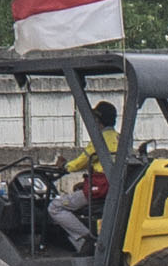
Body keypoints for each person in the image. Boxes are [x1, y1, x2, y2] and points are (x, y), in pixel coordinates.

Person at [48, 101, 119, 251]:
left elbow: (81, 161)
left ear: (98, 121)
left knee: (55, 207)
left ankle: (88, 239)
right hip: (111, 188)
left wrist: (65, 166)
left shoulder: (100, 140)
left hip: (100, 189)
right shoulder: (120, 138)